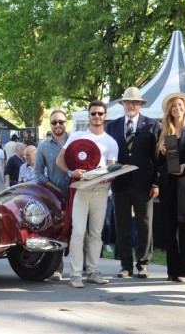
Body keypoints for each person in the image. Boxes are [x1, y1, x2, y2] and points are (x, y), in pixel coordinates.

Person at [56, 100, 118, 288]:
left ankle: (92, 270)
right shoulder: (76, 136)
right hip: (81, 189)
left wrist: (109, 178)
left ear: (105, 116)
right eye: (93, 114)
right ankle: (75, 274)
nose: (97, 117)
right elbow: (60, 160)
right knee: (78, 231)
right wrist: (70, 173)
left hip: (100, 190)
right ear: (89, 116)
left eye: (100, 113)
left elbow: (112, 167)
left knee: (96, 233)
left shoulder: (111, 141)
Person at [107, 87, 161, 279]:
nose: (131, 105)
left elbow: (157, 157)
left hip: (144, 183)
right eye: (128, 102)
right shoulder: (112, 126)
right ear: (122, 104)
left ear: (140, 105)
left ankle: (143, 264)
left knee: (144, 224)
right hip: (120, 184)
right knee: (121, 225)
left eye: (135, 102)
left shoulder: (152, 125)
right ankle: (125, 265)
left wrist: (156, 182)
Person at [156, 92, 185, 283]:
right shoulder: (164, 131)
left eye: (180, 106)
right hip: (168, 184)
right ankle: (171, 271)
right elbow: (158, 162)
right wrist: (161, 152)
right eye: (173, 106)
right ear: (169, 110)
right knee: (169, 227)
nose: (177, 108)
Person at [35, 109, 71, 281]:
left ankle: (83, 267)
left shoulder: (76, 141)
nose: (58, 125)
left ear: (66, 122)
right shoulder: (43, 147)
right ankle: (58, 267)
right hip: (55, 196)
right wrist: (53, 188)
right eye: (54, 122)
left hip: (76, 192)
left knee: (79, 230)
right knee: (57, 231)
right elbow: (38, 174)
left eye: (61, 122)